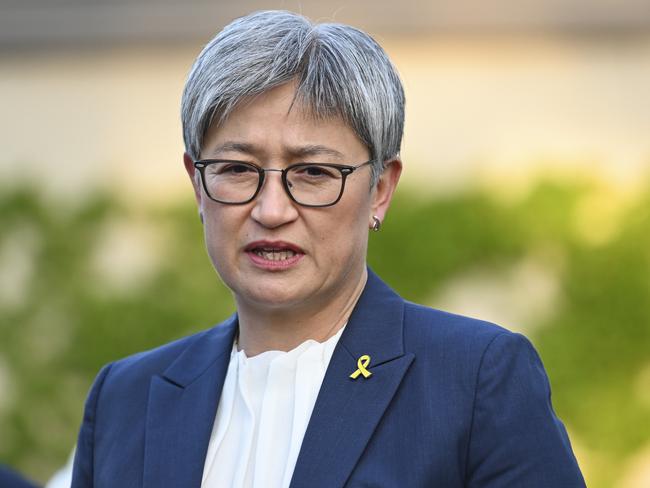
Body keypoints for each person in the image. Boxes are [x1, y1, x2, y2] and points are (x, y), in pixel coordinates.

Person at [71, 10, 586, 488]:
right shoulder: (126, 398)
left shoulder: (473, 381)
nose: (272, 210)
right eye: (237, 169)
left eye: (313, 172)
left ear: (380, 189)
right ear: (196, 184)